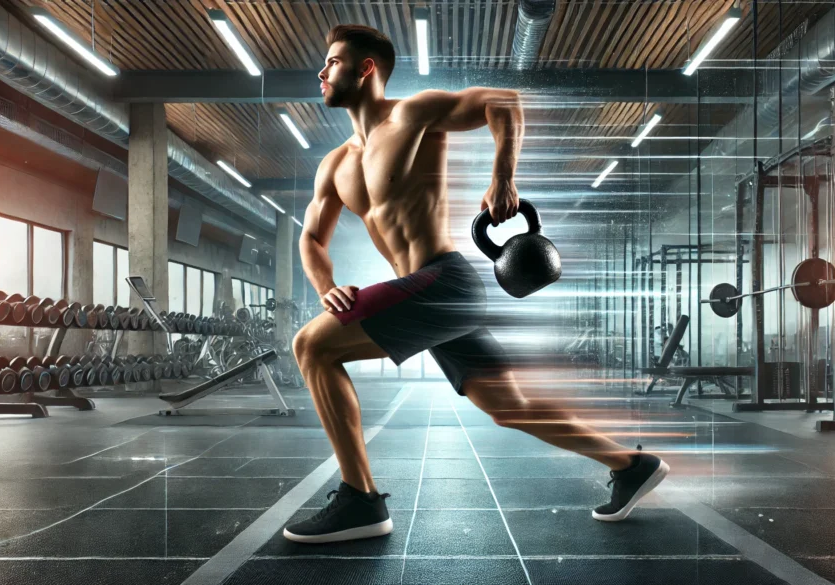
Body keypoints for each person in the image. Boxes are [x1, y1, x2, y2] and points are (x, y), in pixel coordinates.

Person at [283, 24, 669, 544]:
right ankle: (630, 465)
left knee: (312, 347)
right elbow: (311, 239)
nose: (322, 72)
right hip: (426, 293)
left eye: (332, 61)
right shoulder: (334, 166)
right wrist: (325, 283)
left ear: (365, 68)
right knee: (509, 407)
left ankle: (360, 501)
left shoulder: (413, 113)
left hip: (442, 281)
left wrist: (503, 175)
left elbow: (502, 101)